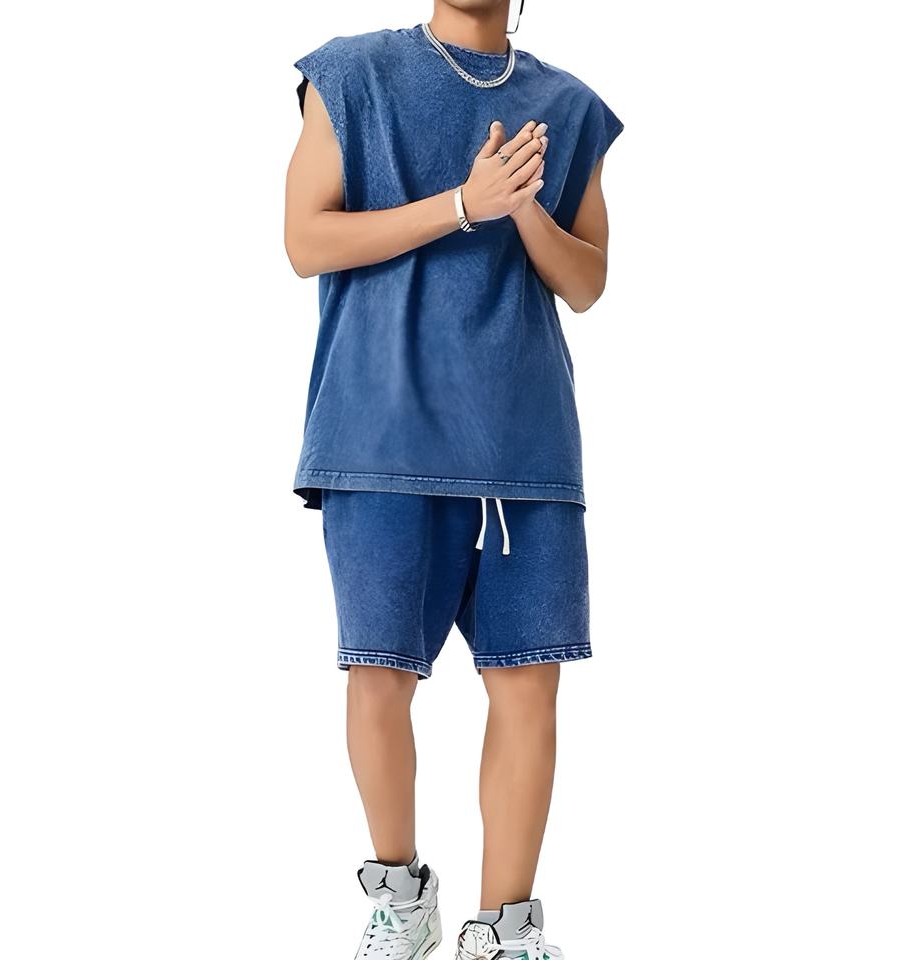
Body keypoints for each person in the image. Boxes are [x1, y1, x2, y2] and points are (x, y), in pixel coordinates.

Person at [284, 2, 622, 959]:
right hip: (379, 432)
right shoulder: (352, 74)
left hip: (523, 445)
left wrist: (523, 211)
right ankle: (402, 899)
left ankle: (504, 930)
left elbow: (588, 282)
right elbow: (305, 241)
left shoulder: (570, 105)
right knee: (377, 677)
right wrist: (463, 203)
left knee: (528, 686)